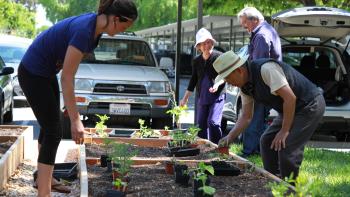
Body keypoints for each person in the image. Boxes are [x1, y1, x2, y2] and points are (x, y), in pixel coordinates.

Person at [18, 0, 137, 196]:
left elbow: (69, 69)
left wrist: (70, 106)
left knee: (50, 126)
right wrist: (75, 120)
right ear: (116, 19)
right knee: (54, 131)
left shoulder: (94, 31)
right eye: (127, 25)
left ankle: (43, 178)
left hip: (45, 73)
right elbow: (67, 77)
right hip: (33, 73)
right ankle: (44, 193)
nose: (126, 29)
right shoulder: (84, 31)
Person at [214, 51, 325, 180]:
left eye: (227, 78)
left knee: (287, 147)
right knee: (267, 141)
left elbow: (290, 98)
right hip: (290, 108)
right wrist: (229, 137)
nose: (228, 82)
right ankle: (275, 182)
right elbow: (246, 116)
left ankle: (289, 190)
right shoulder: (245, 87)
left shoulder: (266, 70)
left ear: (239, 71)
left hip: (309, 104)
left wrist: (284, 131)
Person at [237, 7, 282, 157]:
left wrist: (251, 86)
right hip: (267, 84)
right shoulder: (266, 31)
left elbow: (258, 66)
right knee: (259, 119)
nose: (244, 26)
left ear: (254, 20)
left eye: (245, 23)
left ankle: (248, 152)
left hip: (261, 85)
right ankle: (259, 151)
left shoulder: (261, 36)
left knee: (254, 118)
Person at [180, 28, 225, 144]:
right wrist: (184, 99)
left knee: (213, 122)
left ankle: (217, 147)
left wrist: (217, 84)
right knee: (200, 125)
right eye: (203, 43)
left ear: (212, 43)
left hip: (217, 96)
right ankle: (203, 148)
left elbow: (225, 75)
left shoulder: (219, 57)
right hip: (203, 96)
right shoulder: (196, 61)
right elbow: (193, 80)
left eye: (209, 42)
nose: (207, 45)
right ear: (199, 47)